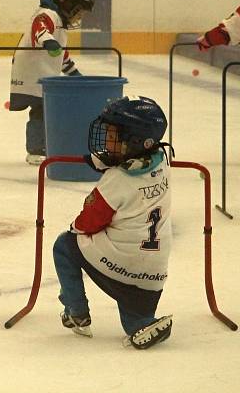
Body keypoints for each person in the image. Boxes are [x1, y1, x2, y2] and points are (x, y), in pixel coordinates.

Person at [53, 95, 173, 349]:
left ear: (136, 142)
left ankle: (77, 313)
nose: (106, 140)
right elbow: (133, 164)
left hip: (123, 258)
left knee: (65, 246)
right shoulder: (162, 160)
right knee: (135, 307)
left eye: (112, 136)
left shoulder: (117, 180)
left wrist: (75, 230)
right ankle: (141, 323)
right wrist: (106, 159)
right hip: (154, 270)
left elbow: (89, 221)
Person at [9, 0, 94, 165]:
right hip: (33, 75)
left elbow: (61, 56)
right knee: (41, 111)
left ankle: (45, 146)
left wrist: (74, 74)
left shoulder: (59, 24)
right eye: (79, 12)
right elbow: (39, 29)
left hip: (44, 74)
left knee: (47, 110)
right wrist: (48, 41)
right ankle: (35, 150)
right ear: (68, 4)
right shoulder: (47, 14)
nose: (79, 18)